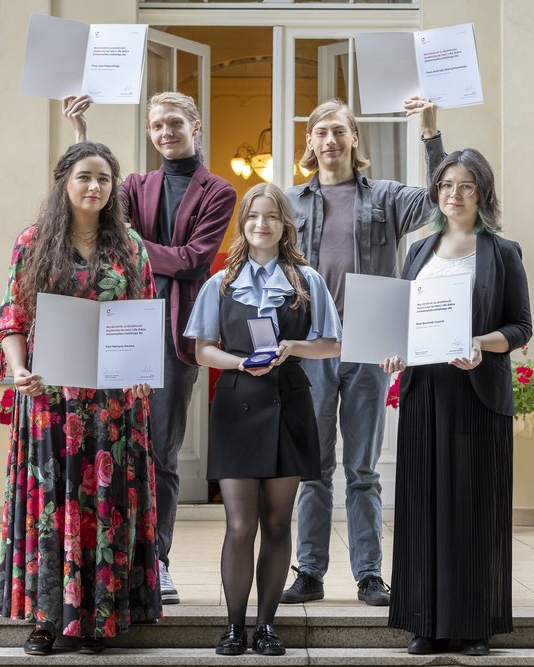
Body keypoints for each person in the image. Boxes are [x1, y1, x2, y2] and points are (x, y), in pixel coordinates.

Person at [64, 92, 236, 605]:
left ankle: (157, 561)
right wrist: (80, 135)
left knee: (160, 450)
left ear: (196, 125)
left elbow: (193, 259)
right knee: (106, 444)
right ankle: (112, 556)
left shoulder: (218, 191)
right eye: (157, 125)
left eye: (175, 123)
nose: (165, 132)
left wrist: (132, 244)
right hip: (117, 327)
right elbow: (89, 204)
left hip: (171, 334)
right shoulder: (136, 184)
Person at [0, 142, 162, 656]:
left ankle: (99, 621)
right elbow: (12, 317)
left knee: (103, 505)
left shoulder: (130, 246)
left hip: (112, 404)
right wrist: (19, 368)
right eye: (85, 176)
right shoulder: (34, 241)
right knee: (53, 507)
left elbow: (143, 315)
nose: (95, 187)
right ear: (65, 180)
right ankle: (45, 622)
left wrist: (142, 374)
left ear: (114, 189)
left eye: (105, 180)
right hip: (50, 401)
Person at [280, 96, 446, 607]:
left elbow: (444, 198)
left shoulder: (387, 198)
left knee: (364, 469)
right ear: (309, 143)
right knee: (313, 466)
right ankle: (308, 571)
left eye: (339, 131)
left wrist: (429, 133)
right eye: (320, 132)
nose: (329, 140)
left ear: (355, 139)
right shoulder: (289, 203)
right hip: (312, 347)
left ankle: (369, 573)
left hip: (370, 345)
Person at [381, 148, 532, 656]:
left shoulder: (503, 251)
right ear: (436, 192)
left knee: (471, 509)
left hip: (477, 395)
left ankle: (473, 625)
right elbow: (403, 320)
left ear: (482, 191)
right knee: (423, 507)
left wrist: (479, 343)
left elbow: (521, 328)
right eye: (446, 185)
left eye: (466, 185)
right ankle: (425, 622)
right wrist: (394, 353)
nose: (454, 194)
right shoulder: (418, 251)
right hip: (425, 395)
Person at [183, 183, 342, 656]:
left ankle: (267, 625)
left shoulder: (306, 280)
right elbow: (201, 349)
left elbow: (333, 344)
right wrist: (239, 363)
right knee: (239, 525)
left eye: (271, 216)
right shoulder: (221, 282)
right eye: (253, 216)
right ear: (244, 224)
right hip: (237, 403)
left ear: (285, 224)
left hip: (290, 402)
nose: (261, 224)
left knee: (277, 523)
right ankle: (234, 626)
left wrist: (294, 348)